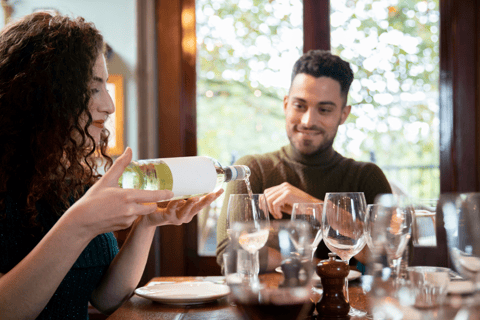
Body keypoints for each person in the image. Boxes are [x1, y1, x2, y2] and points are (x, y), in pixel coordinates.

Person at [0, 12, 223, 319]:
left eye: (106, 85)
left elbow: (106, 298)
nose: (110, 105)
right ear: (44, 94)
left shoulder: (71, 180)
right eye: (94, 88)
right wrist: (78, 224)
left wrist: (148, 223)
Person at [216, 50, 392, 271]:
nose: (308, 120)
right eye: (300, 106)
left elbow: (393, 258)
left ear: (343, 115)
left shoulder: (366, 176)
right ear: (286, 105)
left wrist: (314, 207)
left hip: (347, 305)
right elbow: (230, 256)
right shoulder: (251, 170)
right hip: (271, 303)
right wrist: (318, 268)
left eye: (324, 109)